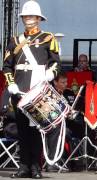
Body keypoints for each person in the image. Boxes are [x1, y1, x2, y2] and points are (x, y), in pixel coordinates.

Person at [2, 0, 60, 178]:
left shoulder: (48, 39)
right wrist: (10, 83)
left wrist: (50, 75)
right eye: (26, 16)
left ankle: (35, 166)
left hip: (38, 92)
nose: (29, 19)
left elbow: (55, 63)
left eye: (32, 16)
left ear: (39, 18)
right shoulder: (14, 41)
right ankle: (23, 166)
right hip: (19, 91)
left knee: (36, 131)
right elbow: (6, 67)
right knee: (22, 130)